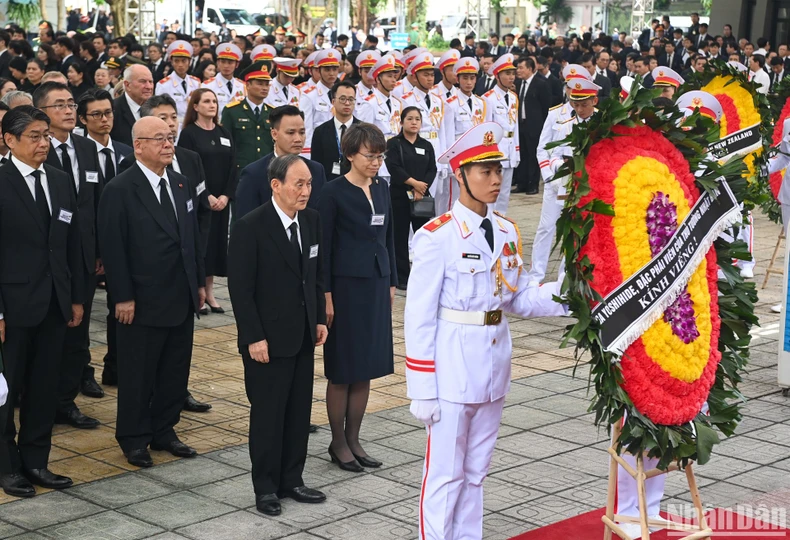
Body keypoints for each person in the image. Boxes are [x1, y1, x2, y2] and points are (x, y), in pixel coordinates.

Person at [404, 122, 567, 539]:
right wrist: (421, 386)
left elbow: (517, 297)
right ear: (460, 176)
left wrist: (572, 295)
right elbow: (418, 316)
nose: (496, 180)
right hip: (451, 370)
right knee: (444, 475)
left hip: (494, 366)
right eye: (485, 171)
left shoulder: (507, 229)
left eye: (499, 170)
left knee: (476, 471)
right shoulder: (436, 237)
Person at [98, 116, 206, 468]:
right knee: (138, 373)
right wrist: (122, 296)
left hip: (180, 294)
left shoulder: (180, 183)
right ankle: (133, 437)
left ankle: (165, 429)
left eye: (170, 137)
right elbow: (114, 248)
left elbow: (190, 239)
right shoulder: (120, 189)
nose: (167, 144)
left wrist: (199, 285)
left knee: (174, 370)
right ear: (139, 146)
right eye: (158, 139)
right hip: (141, 299)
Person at [228, 154, 328, 516]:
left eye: (309, 184)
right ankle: (266, 487)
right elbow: (241, 290)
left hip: (302, 334)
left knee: (298, 412)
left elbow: (315, 275)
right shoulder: (250, 227)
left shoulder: (312, 221)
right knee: (269, 415)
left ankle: (292, 479)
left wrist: (319, 319)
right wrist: (254, 337)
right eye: (298, 184)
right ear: (276, 185)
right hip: (266, 341)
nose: (306, 191)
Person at [0, 105, 84, 498]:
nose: (42, 143)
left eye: (45, 135)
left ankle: (36, 460)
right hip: (12, 306)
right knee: (7, 388)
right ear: (9, 140)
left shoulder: (61, 180)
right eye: (33, 136)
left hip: (54, 303)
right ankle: (6, 464)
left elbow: (71, 243)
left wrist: (76, 298)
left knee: (43, 386)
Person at [319, 123, 396, 472]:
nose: (376, 162)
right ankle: (337, 441)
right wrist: (327, 295)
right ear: (350, 154)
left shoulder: (382, 188)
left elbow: (388, 237)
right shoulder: (332, 192)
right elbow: (323, 249)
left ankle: (355, 438)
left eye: (380, 156)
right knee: (343, 368)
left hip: (375, 283)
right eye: (370, 156)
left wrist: (392, 279)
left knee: (365, 365)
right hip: (345, 286)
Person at [33, 81, 105, 429]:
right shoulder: (37, 152)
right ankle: (38, 402)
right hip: (49, 259)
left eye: (71, 103)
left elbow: (95, 204)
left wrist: (98, 251)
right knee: (50, 336)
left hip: (84, 258)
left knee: (78, 334)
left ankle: (66, 401)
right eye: (59, 105)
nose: (69, 110)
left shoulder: (86, 148)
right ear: (42, 114)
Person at [529, 77, 600, 286]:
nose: (579, 109)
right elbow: (544, 150)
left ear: (594, 101)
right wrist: (552, 174)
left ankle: (565, 276)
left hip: (586, 188)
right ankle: (536, 275)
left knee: (575, 231)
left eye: (584, 104)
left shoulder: (601, 123)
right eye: (575, 104)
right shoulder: (564, 122)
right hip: (558, 184)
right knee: (546, 228)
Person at [178, 88, 236, 314]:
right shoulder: (189, 134)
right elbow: (188, 168)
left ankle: (210, 293)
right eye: (206, 101)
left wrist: (226, 195)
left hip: (222, 201)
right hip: (201, 201)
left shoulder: (223, 131)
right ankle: (197, 291)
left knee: (215, 247)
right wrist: (207, 195)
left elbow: (233, 165)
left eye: (214, 101)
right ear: (195, 106)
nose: (212, 105)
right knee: (200, 245)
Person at [235, 105, 326, 219]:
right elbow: (243, 223)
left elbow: (321, 216)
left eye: (302, 132)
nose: (298, 139)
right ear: (274, 134)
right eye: (290, 132)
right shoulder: (254, 174)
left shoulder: (316, 170)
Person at [385, 106, 437, 288]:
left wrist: (421, 188)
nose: (414, 122)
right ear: (401, 122)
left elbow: (432, 169)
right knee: (399, 237)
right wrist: (414, 183)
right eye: (410, 119)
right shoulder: (394, 144)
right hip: (399, 196)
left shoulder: (426, 145)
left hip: (421, 198)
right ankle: (401, 277)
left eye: (417, 119)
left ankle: (424, 273)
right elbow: (394, 167)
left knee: (424, 236)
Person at [221, 61, 275, 178]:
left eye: (267, 84)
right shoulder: (232, 111)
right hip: (240, 171)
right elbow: (226, 145)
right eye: (260, 84)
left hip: (266, 171)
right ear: (248, 85)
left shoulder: (272, 113)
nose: (264, 88)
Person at [356, 55, 403, 184]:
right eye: (389, 76)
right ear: (378, 79)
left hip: (396, 155)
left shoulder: (397, 103)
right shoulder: (370, 103)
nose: (393, 80)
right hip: (377, 156)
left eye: (394, 76)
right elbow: (363, 135)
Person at [482, 54, 519, 213]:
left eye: (512, 74)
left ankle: (501, 224)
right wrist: (489, 154)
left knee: (504, 194)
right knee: (491, 192)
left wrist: (517, 151)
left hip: (509, 149)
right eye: (507, 74)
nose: (511, 78)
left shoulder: (513, 97)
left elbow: (515, 127)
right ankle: (489, 223)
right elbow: (486, 129)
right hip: (496, 149)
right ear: (497, 76)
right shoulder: (488, 98)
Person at [512, 56, 551, 195]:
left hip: (535, 126)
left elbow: (546, 107)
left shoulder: (541, 84)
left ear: (530, 68)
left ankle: (533, 184)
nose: (518, 71)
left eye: (521, 68)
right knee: (522, 155)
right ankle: (522, 183)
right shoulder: (518, 84)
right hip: (520, 125)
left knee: (533, 156)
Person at [310, 80, 359, 180]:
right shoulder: (321, 131)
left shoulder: (364, 130)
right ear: (333, 101)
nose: (347, 103)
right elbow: (316, 165)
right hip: (329, 185)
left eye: (351, 99)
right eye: (342, 99)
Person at [302, 49, 341, 158]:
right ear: (319, 71)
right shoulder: (309, 96)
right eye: (327, 70)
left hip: (339, 148)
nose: (331, 73)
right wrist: (307, 156)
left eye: (334, 69)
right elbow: (306, 128)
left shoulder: (340, 94)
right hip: (318, 148)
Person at [155, 40, 201, 127]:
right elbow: (159, 111)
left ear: (189, 62)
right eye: (176, 61)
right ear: (171, 62)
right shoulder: (163, 85)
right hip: (173, 127)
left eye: (184, 61)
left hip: (194, 126)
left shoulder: (196, 83)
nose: (180, 65)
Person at [111, 64, 154, 146]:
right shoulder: (113, 110)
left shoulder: (157, 108)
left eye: (151, 82)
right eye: (143, 81)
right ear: (127, 85)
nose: (149, 87)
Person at [201, 43, 245, 117]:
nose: (226, 66)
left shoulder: (243, 86)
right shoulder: (207, 85)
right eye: (223, 62)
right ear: (218, 63)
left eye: (230, 62)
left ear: (236, 65)